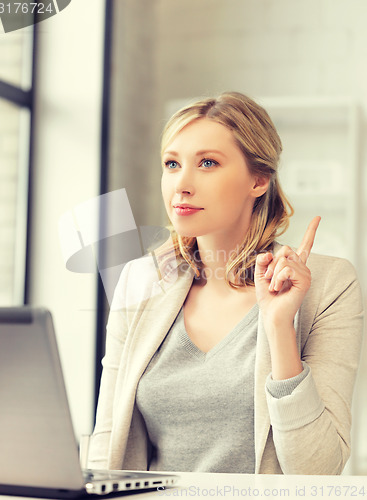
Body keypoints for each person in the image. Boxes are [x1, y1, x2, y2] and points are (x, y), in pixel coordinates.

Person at [88, 92, 364, 475]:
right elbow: (107, 442)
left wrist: (279, 326)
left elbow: (317, 470)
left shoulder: (330, 285)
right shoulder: (141, 281)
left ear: (259, 179)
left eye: (207, 163)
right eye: (171, 163)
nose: (181, 184)